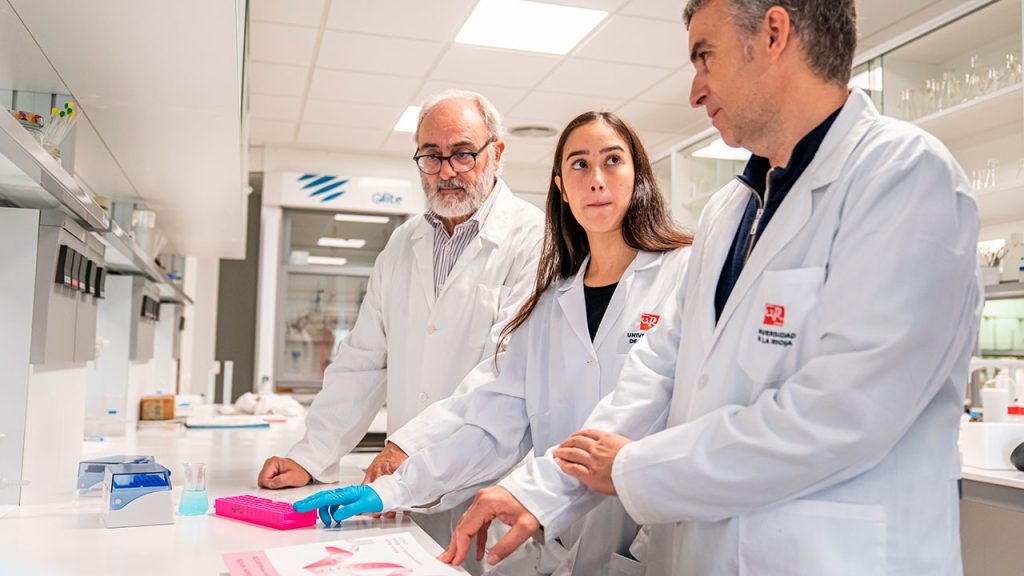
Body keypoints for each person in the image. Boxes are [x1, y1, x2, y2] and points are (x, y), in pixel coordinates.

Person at [444, 1, 982, 574]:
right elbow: (658, 371)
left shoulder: (903, 176)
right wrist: (542, 488)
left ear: (774, 34)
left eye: (705, 56)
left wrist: (634, 470)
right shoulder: (733, 208)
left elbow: (843, 412)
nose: (695, 91)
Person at [292, 111, 693, 576]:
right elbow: (493, 416)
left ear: (637, 174)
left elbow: (638, 407)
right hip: (557, 539)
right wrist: (393, 489)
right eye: (579, 165)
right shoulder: (551, 302)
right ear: (561, 186)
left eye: (612, 161)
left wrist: (532, 490)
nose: (596, 180)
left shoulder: (683, 273)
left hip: (648, 540)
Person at [258, 90, 544, 558]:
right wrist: (309, 455)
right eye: (431, 156)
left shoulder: (534, 237)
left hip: (490, 483)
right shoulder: (402, 242)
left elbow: (503, 371)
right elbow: (362, 361)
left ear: (498, 153)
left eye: (463, 154)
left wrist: (409, 444)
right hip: (406, 490)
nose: (447, 171)